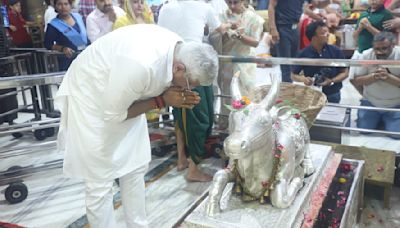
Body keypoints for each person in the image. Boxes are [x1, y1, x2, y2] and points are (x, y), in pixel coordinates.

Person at [55, 24, 219, 227]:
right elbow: (114, 114)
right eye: (191, 83)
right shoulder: (141, 64)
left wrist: (166, 96)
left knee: (134, 166)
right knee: (99, 179)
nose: (190, 89)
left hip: (125, 93)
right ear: (179, 68)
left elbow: (134, 101)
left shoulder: (180, 50)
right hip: (92, 96)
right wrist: (162, 101)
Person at [158, 0, 231, 181]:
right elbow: (221, 29)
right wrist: (230, 24)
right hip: (195, 66)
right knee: (200, 118)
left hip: (173, 66)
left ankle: (182, 158)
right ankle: (193, 168)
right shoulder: (203, 7)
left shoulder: (165, 8)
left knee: (180, 114)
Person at [215, 0, 264, 129]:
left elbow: (255, 42)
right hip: (226, 64)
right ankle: (225, 126)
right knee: (226, 95)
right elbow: (215, 35)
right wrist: (227, 29)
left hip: (245, 64)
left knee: (245, 94)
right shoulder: (221, 16)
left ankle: (245, 127)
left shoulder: (253, 18)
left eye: (235, 2)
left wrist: (239, 36)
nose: (231, 6)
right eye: (229, 2)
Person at [351, 31, 400, 137]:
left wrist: (389, 78)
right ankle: (380, 120)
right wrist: (374, 76)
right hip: (371, 101)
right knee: (364, 130)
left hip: (396, 104)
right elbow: (356, 80)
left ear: (393, 45)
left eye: (384, 48)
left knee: (396, 135)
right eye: (377, 49)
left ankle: (384, 120)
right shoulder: (367, 55)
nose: (379, 52)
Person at [292, 21, 348, 103]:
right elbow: (293, 74)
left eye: (328, 32)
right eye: (323, 33)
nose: (328, 35)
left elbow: (345, 72)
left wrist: (332, 81)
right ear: (314, 37)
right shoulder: (303, 53)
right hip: (312, 93)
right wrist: (303, 79)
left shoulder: (336, 51)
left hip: (333, 92)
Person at [268, 0, 324, 82]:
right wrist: (273, 28)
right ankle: (288, 93)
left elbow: (316, 4)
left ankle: (291, 90)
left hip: (295, 29)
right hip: (282, 28)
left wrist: (330, 2)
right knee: (286, 66)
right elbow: (271, 6)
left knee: (294, 66)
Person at [44, 0, 89, 71]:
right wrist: (62, 48)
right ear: (55, 7)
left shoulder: (79, 17)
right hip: (67, 59)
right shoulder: (53, 25)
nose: (63, 7)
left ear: (70, 5)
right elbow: (48, 44)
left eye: (66, 4)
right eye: (59, 4)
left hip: (85, 57)